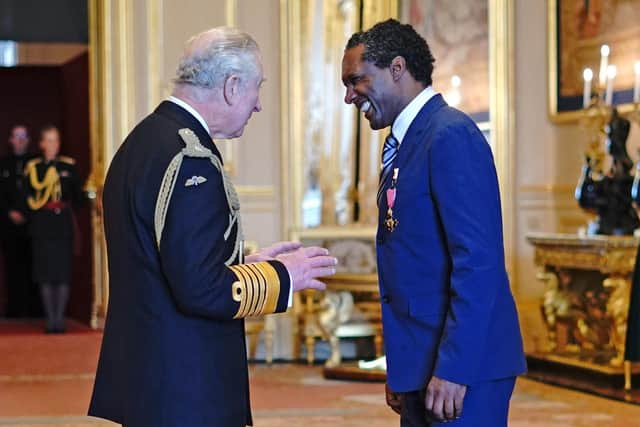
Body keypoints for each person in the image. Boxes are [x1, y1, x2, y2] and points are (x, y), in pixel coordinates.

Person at [88, 27, 337, 427]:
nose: (257, 105)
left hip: (151, 381)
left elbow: (169, 261)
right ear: (232, 86)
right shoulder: (191, 158)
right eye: (257, 88)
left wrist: (248, 263)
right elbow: (199, 289)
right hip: (188, 389)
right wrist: (282, 277)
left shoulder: (145, 140)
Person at [341, 20, 526, 426]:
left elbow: (478, 263)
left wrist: (455, 368)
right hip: (424, 360)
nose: (349, 96)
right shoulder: (410, 141)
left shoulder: (450, 135)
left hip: (463, 367)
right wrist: (404, 369)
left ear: (397, 68)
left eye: (356, 80)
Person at [23, 126, 83, 333]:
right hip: (42, 224)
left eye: (55, 140)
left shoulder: (69, 167)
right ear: (41, 144)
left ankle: (60, 319)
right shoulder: (33, 168)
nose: (52, 145)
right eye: (48, 140)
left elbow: (78, 197)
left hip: (62, 224)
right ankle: (51, 320)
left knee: (62, 272)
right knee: (45, 273)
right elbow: (27, 198)